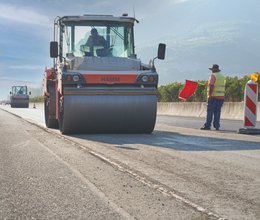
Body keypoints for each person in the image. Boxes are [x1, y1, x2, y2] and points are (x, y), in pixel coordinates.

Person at [201, 64, 226, 130]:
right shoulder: (222, 76)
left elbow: (212, 86)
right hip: (221, 97)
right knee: (217, 112)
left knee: (210, 111)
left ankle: (207, 126)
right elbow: (218, 84)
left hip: (213, 96)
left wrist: (210, 95)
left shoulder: (213, 76)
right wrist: (208, 84)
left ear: (213, 70)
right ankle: (217, 126)